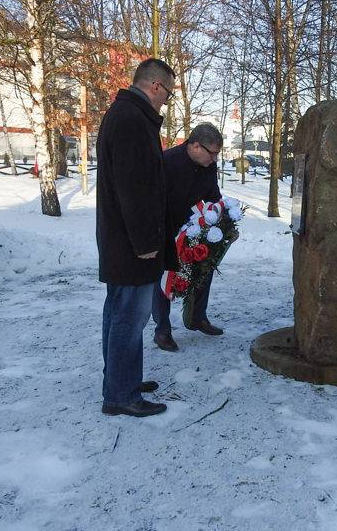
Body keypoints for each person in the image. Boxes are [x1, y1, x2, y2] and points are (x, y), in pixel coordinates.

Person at [96, 58, 175, 418]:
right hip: (132, 244)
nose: (166, 102)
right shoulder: (130, 121)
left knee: (118, 312)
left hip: (122, 240)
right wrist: (146, 244)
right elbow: (133, 189)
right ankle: (121, 394)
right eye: (168, 94)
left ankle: (120, 378)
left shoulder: (128, 116)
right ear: (155, 86)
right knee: (129, 316)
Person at [152, 123, 226, 352]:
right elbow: (153, 199)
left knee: (205, 266)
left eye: (217, 154)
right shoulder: (166, 162)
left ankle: (197, 316)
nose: (214, 159)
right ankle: (162, 330)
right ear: (195, 145)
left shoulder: (208, 165)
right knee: (164, 278)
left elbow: (212, 194)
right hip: (166, 229)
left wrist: (217, 215)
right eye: (211, 153)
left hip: (196, 227)